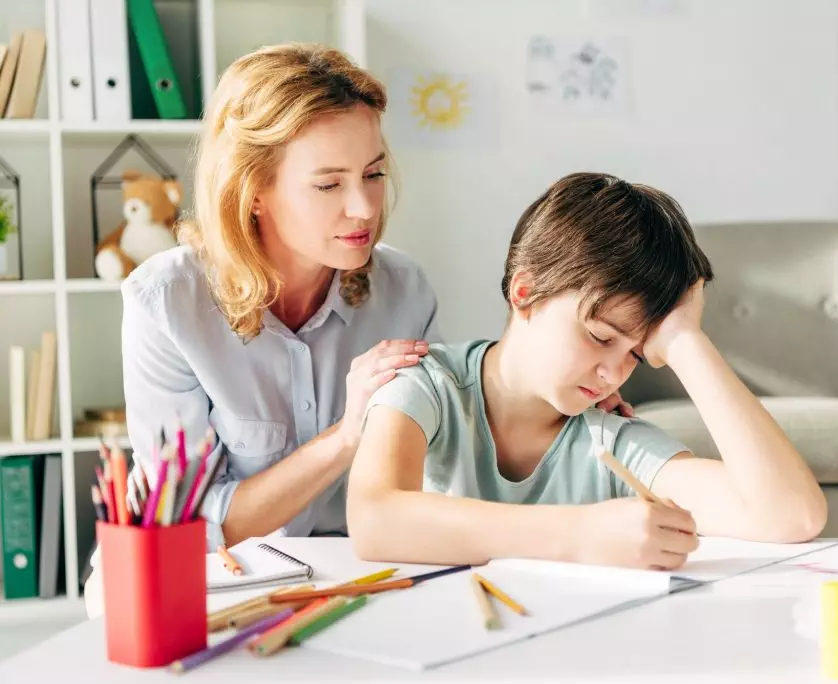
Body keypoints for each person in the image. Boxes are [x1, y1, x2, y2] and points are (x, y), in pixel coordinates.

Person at [84, 45, 629, 616]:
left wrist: (565, 391)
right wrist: (344, 437)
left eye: (373, 175)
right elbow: (193, 525)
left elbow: (453, 440)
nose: (364, 208)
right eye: (329, 185)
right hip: (215, 586)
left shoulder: (403, 288)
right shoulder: (165, 304)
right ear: (254, 192)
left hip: (361, 579)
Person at [346, 172, 828, 570]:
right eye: (600, 337)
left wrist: (686, 342)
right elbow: (374, 520)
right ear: (524, 293)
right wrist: (578, 534)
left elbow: (791, 516)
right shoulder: (425, 384)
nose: (613, 375)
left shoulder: (607, 438)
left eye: (635, 354)